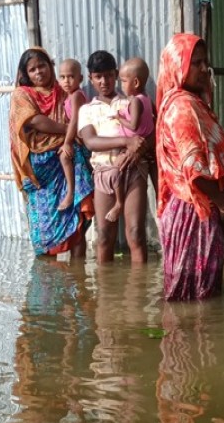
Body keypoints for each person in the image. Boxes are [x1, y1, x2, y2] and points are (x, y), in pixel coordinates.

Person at [155, 33, 224, 301]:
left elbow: (206, 153)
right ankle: (197, 340)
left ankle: (187, 340)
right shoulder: (183, 107)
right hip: (195, 209)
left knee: (190, 292)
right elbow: (195, 171)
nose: (202, 69)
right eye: (194, 63)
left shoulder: (191, 102)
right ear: (177, 66)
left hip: (194, 206)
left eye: (204, 62)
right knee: (198, 295)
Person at [9, 47, 95, 257]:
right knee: (44, 233)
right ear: (25, 74)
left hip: (66, 161)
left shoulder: (64, 91)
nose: (39, 72)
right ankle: (48, 283)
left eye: (42, 66)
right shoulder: (22, 95)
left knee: (77, 224)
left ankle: (79, 281)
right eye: (32, 69)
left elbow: (78, 114)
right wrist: (69, 130)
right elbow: (34, 121)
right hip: (40, 173)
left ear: (50, 66)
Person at [77, 50, 148, 264]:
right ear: (90, 78)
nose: (103, 81)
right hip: (104, 174)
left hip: (134, 171)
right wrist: (126, 142)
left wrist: (138, 148)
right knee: (105, 236)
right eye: (98, 77)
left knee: (136, 232)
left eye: (108, 75)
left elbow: (148, 133)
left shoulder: (131, 101)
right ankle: (106, 295)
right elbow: (90, 141)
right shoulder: (87, 110)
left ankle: (139, 291)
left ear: (116, 74)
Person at [110, 57, 158, 222]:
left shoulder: (136, 101)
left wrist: (118, 117)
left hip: (132, 143)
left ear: (135, 82)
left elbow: (133, 125)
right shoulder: (147, 99)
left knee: (116, 170)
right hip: (144, 145)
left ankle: (118, 202)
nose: (121, 85)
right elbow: (154, 116)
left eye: (123, 81)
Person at [57, 58, 90, 211]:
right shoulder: (67, 97)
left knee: (64, 156)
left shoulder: (77, 95)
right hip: (76, 137)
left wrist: (68, 142)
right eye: (62, 77)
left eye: (71, 76)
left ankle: (70, 193)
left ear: (80, 78)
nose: (66, 81)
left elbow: (75, 120)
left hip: (83, 138)